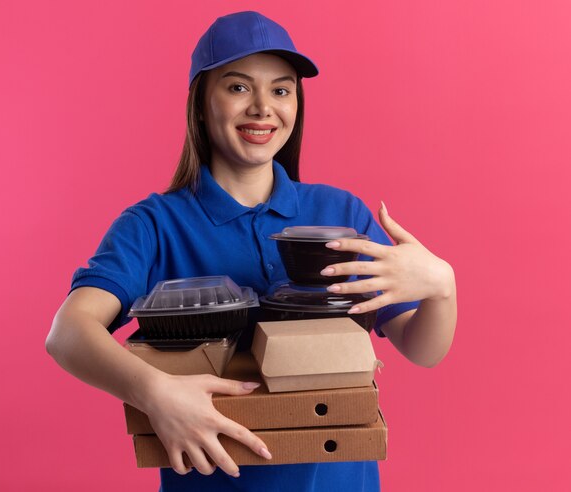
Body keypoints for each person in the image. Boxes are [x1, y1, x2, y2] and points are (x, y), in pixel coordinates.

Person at [46, 11, 457, 492]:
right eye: (238, 87)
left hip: (341, 479)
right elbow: (67, 334)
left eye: (281, 90)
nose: (263, 108)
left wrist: (441, 286)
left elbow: (422, 349)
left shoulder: (340, 211)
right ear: (201, 102)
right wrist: (155, 393)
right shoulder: (154, 225)